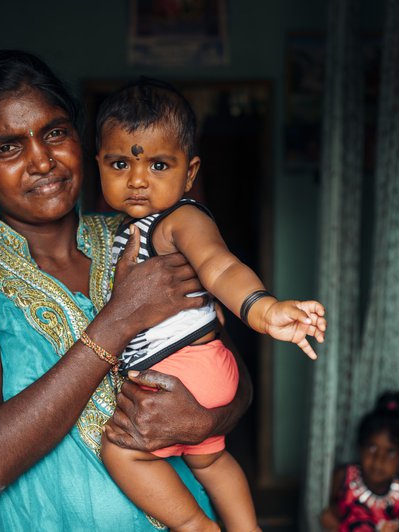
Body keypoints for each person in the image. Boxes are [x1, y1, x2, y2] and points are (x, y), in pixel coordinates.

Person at [0, 50, 252, 531]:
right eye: (8, 147)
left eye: (54, 133)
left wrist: (205, 423)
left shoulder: (140, 234)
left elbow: (231, 371)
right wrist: (121, 317)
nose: (42, 161)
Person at [95, 78, 328, 531]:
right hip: (208, 367)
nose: (138, 179)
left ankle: (194, 526)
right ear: (98, 165)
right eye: (120, 163)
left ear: (190, 172)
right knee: (212, 462)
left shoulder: (178, 219)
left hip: (181, 367)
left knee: (120, 451)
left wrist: (263, 309)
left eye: (159, 165)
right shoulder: (125, 228)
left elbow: (219, 267)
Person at [320, 391, 399, 532]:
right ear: (360, 449)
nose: (379, 459)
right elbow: (328, 514)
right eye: (372, 448)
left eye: (391, 452)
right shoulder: (343, 477)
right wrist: (330, 519)